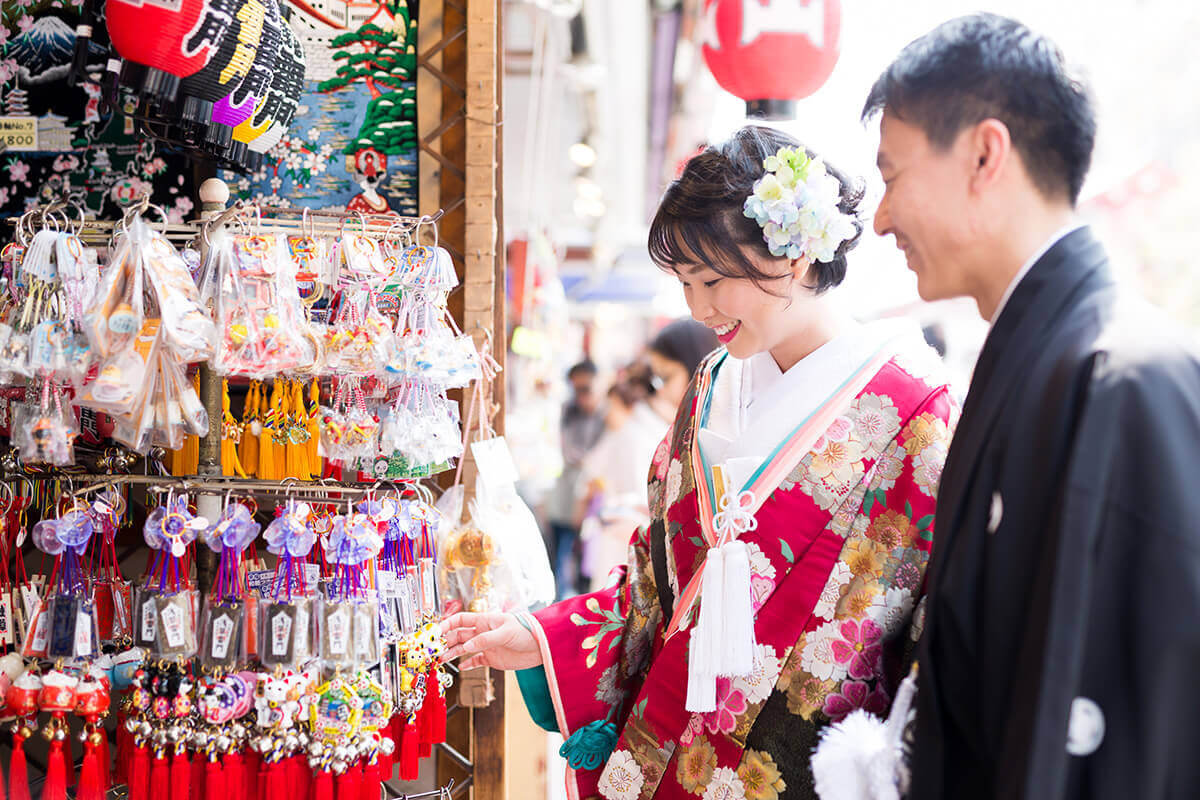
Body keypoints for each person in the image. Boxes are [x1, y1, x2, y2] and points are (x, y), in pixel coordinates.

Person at [443, 126, 956, 799]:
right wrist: (543, 637)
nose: (698, 308)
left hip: (806, 768)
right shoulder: (714, 383)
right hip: (674, 752)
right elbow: (655, 583)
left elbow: (932, 633)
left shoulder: (912, 409)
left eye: (712, 279)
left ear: (797, 255)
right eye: (686, 282)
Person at [861, 14, 1200, 799]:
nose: (880, 218)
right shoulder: (1047, 358)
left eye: (891, 175)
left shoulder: (1123, 379)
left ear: (985, 155)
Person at [547, 359, 605, 599]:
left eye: (586, 389)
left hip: (594, 503)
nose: (580, 396)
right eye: (576, 390)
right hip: (566, 497)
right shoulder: (569, 411)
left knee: (587, 566)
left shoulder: (608, 414)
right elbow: (570, 452)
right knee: (560, 558)